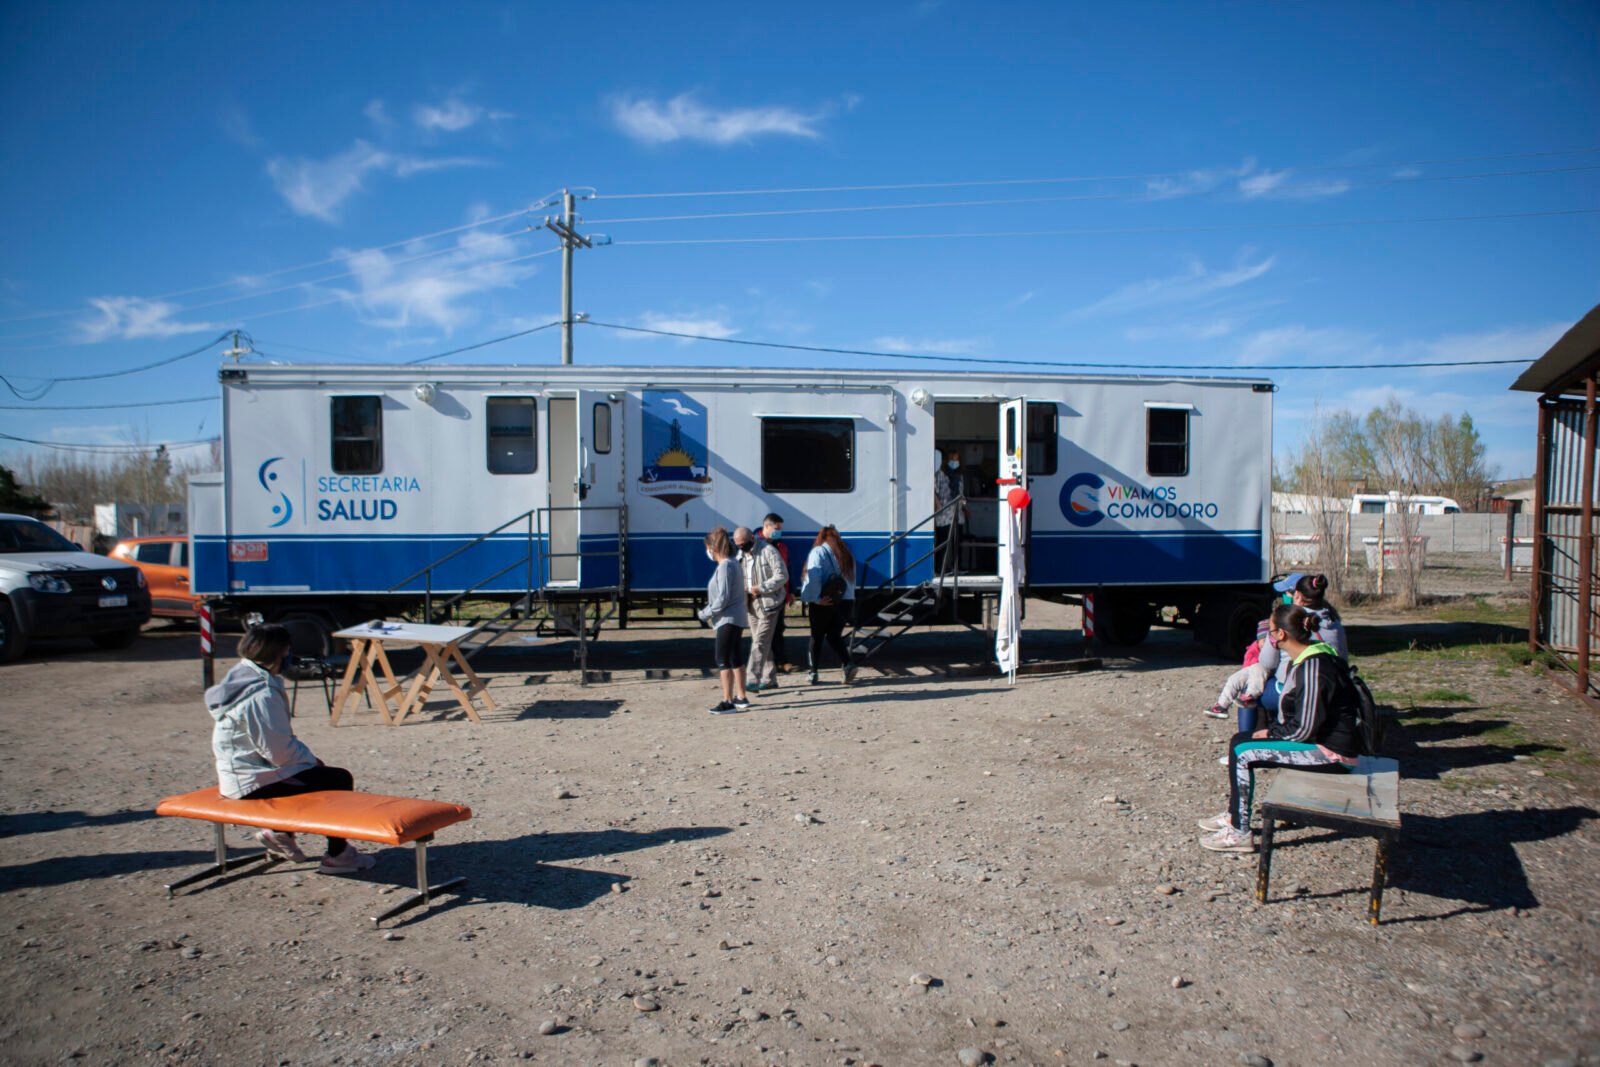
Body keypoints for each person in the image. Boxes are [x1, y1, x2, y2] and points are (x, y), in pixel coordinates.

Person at [207, 623, 375, 873]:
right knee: (337, 780)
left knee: (313, 775)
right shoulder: (261, 694)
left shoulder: (242, 675)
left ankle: (280, 833)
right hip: (250, 781)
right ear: (280, 653)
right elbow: (278, 752)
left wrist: (306, 762)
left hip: (241, 773)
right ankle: (338, 854)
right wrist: (310, 760)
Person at [1198, 604, 1364, 853]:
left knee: (1243, 752)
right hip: (1319, 742)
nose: (1267, 637)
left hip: (1332, 754)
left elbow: (1304, 729)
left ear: (1280, 635)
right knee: (1239, 741)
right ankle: (1235, 816)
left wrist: (1272, 732)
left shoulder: (1314, 667)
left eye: (1270, 631)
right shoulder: (1312, 655)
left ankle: (1239, 833)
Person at [1256, 572, 1349, 717]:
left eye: (1288, 592)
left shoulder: (1284, 620)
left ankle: (1254, 730)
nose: (1285, 596)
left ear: (1297, 596)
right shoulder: (1334, 622)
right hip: (1333, 687)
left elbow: (1268, 663)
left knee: (1249, 689)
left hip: (1297, 688)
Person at [697, 526, 751, 714]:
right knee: (735, 658)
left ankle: (727, 701)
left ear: (713, 548)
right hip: (734, 617)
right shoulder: (732, 563)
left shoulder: (726, 565)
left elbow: (723, 598)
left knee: (722, 659)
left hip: (727, 618)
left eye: (707, 548)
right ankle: (741, 697)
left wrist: (705, 613)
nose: (707, 551)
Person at [799, 525, 857, 686]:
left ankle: (813, 672)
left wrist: (814, 598)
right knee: (834, 635)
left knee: (816, 637)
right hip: (845, 601)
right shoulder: (847, 554)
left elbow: (814, 577)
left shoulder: (818, 552)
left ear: (821, 538)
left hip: (825, 601)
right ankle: (848, 664)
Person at [738, 524, 789, 693]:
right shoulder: (741, 554)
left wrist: (761, 587)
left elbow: (782, 575)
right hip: (750, 603)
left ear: (752, 538)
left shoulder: (768, 551)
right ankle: (769, 679)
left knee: (759, 642)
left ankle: (752, 679)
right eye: (738, 545)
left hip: (769, 603)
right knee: (760, 641)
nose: (741, 547)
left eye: (743, 544)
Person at [1204, 618, 1273, 721]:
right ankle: (1222, 705)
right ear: (1258, 641)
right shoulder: (1253, 649)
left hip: (1262, 670)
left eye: (1268, 641)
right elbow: (1247, 663)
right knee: (1233, 679)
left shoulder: (1273, 650)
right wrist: (1244, 677)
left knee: (1258, 670)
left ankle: (1250, 697)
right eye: (1264, 641)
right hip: (1251, 669)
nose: (1266, 644)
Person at [759, 513, 797, 673]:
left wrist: (791, 591)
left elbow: (787, 569)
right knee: (763, 631)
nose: (779, 532)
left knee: (778, 628)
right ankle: (764, 663)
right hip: (762, 594)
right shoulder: (755, 544)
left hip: (779, 594)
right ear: (767, 526)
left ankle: (781, 661)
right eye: (777, 528)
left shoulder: (782, 546)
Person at [933, 449, 968, 573]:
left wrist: (965, 507)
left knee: (957, 542)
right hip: (944, 515)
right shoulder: (939, 475)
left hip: (958, 514)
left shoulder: (959, 476)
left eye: (956, 459)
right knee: (943, 542)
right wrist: (937, 505)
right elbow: (934, 491)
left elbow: (961, 493)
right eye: (952, 459)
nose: (954, 462)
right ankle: (941, 567)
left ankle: (956, 567)